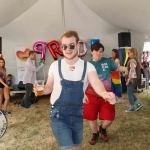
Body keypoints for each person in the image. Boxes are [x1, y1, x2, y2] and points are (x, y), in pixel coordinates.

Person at [33, 31, 116, 150]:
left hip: (77, 114)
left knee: (76, 148)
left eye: (71, 45)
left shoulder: (88, 66)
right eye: (64, 46)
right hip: (58, 115)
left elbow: (96, 82)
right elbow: (49, 87)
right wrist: (41, 90)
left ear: (78, 45)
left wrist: (104, 93)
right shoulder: (55, 66)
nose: (68, 49)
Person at [83, 42, 128, 145]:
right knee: (92, 118)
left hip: (107, 94)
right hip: (91, 95)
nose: (99, 53)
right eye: (97, 51)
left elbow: (117, 68)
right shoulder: (87, 65)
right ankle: (95, 134)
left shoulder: (108, 62)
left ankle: (102, 128)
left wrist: (124, 68)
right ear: (91, 52)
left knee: (109, 118)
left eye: (101, 51)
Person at [125, 48, 142, 112]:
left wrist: (128, 80)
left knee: (129, 93)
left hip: (132, 79)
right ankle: (138, 104)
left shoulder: (132, 60)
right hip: (134, 79)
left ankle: (132, 107)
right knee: (130, 93)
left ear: (133, 53)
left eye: (129, 52)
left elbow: (132, 71)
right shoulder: (135, 60)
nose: (128, 53)